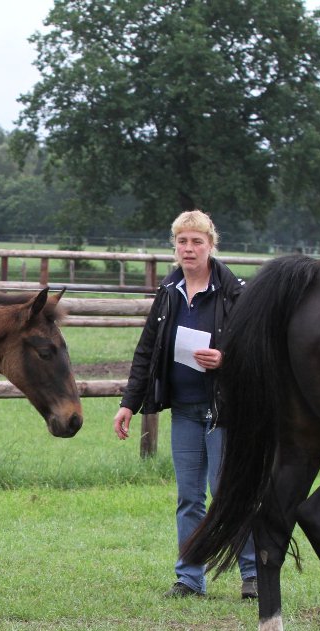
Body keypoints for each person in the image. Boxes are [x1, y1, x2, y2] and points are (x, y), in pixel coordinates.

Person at [112, 210, 258, 599]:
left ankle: (253, 576)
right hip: (185, 409)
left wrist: (225, 359)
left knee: (227, 493)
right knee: (189, 497)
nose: (189, 249)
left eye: (197, 241)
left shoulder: (235, 292)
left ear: (211, 245)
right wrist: (129, 403)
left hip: (224, 410)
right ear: (174, 246)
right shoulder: (169, 291)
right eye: (182, 241)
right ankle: (190, 579)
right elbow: (146, 351)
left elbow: (258, 351)